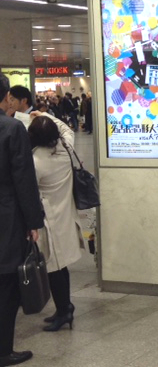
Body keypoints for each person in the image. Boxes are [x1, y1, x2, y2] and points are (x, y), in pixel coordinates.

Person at [0, 74, 44, 366]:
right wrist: (34, 221)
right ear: (5, 96)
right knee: (6, 287)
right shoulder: (12, 129)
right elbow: (23, 180)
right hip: (7, 218)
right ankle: (4, 351)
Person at [28, 112, 85, 332]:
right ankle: (64, 307)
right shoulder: (66, 148)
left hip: (49, 219)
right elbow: (67, 129)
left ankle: (64, 311)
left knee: (54, 267)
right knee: (61, 267)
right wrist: (43, 114)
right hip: (65, 215)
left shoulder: (35, 161)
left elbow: (29, 191)